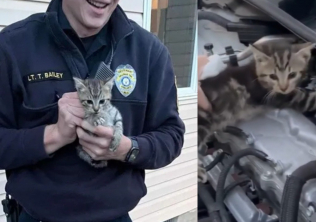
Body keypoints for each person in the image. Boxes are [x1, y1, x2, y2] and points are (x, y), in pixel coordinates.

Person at [0, 0, 185, 221]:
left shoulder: (148, 52)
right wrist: (54, 135)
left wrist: (127, 149)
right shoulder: (12, 47)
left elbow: (171, 136)